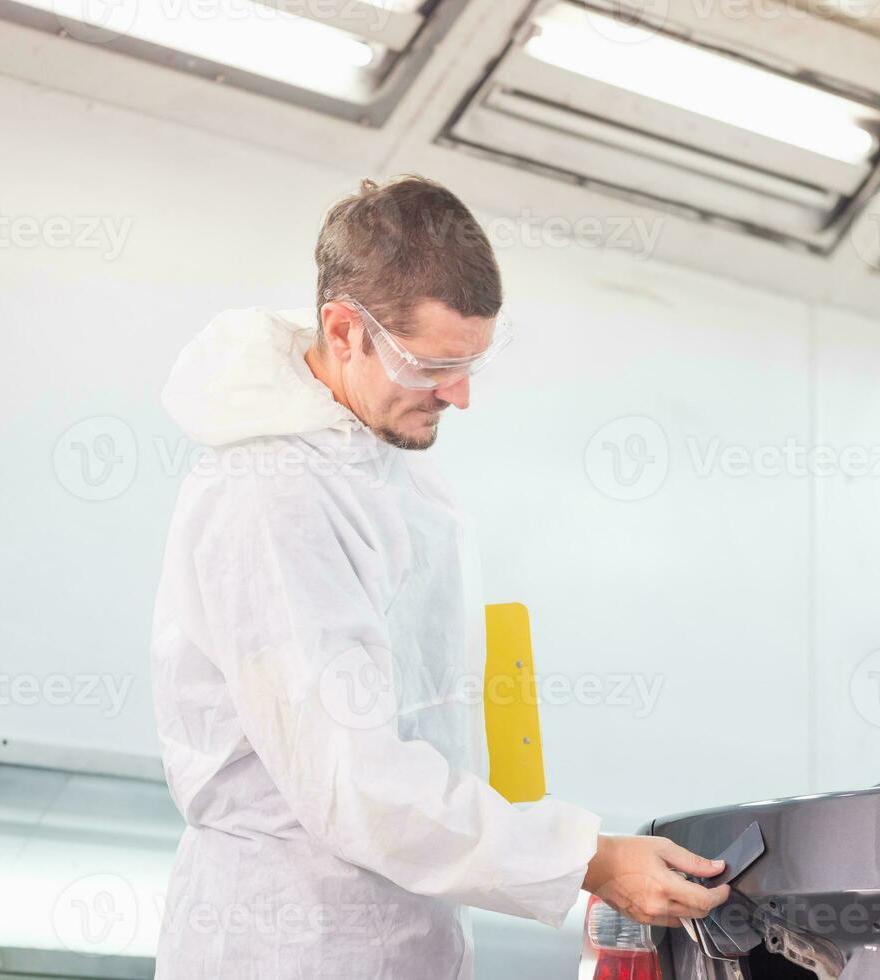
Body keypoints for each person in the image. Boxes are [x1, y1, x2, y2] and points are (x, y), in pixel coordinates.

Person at [149, 175, 728, 979]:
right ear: (344, 329)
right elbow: (354, 780)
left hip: (405, 935)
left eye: (472, 365)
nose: (458, 395)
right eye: (432, 365)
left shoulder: (393, 477)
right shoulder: (273, 495)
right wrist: (589, 858)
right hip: (288, 943)